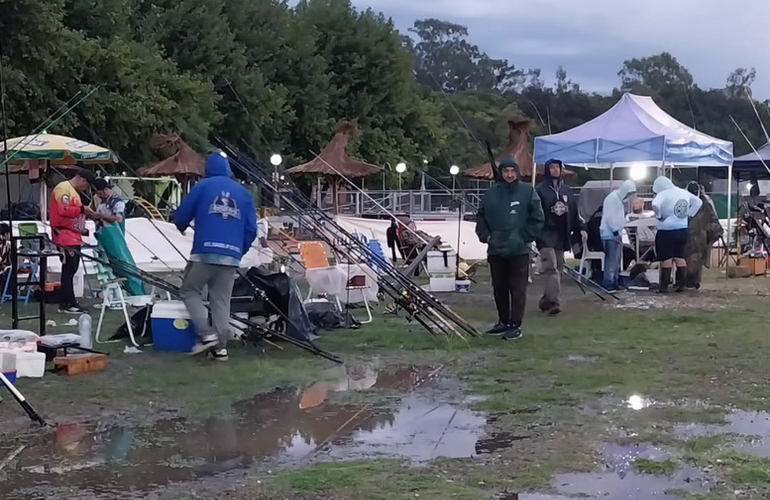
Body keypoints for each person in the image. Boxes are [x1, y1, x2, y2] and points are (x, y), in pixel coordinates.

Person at [175, 152, 258, 361]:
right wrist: (239, 250)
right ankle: (221, 348)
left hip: (204, 251)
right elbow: (251, 230)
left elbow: (182, 215)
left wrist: (181, 225)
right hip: (231, 256)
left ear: (208, 169)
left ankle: (206, 334)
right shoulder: (244, 193)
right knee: (221, 300)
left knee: (189, 290)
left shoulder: (202, 186)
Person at [476, 156, 544, 340]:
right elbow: (480, 217)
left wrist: (524, 238)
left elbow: (538, 218)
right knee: (499, 287)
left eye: (512, 171)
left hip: (519, 250)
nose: (509, 174)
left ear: (517, 172)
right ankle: (503, 321)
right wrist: (487, 236)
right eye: (506, 171)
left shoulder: (527, 192)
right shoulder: (490, 194)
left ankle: (515, 325)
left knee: (518, 288)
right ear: (501, 172)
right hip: (496, 249)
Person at [535, 159, 586, 315]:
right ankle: (553, 303)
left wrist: (581, 228)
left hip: (561, 235)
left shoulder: (566, 191)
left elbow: (574, 212)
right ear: (547, 170)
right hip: (545, 234)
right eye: (552, 167)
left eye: (557, 167)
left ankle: (545, 300)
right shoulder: (540, 190)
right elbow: (535, 213)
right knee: (552, 269)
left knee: (559, 269)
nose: (555, 170)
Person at [50, 168, 100, 314]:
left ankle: (68, 301)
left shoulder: (72, 191)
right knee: (69, 270)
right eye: (87, 186)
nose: (86, 189)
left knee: (72, 269)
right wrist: (81, 209)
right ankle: (67, 303)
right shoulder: (63, 189)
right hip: (65, 235)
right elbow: (63, 210)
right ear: (83, 181)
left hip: (73, 235)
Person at [651, 176, 702, 293]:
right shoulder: (683, 192)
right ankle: (682, 285)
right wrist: (689, 214)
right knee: (680, 256)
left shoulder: (663, 194)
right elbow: (698, 202)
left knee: (666, 258)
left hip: (666, 230)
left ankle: (664, 286)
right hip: (682, 229)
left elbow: (655, 204)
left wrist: (659, 215)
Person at [599, 180, 636, 291]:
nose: (628, 197)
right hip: (610, 234)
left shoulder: (616, 199)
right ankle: (608, 282)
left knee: (615, 259)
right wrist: (615, 232)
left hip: (614, 233)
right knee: (612, 259)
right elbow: (611, 217)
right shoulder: (613, 199)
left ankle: (614, 281)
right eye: (628, 194)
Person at [684, 182, 723, 289]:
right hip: (696, 234)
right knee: (693, 258)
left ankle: (692, 280)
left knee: (696, 258)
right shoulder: (703, 202)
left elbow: (711, 218)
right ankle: (690, 280)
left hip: (698, 234)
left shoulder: (703, 202)